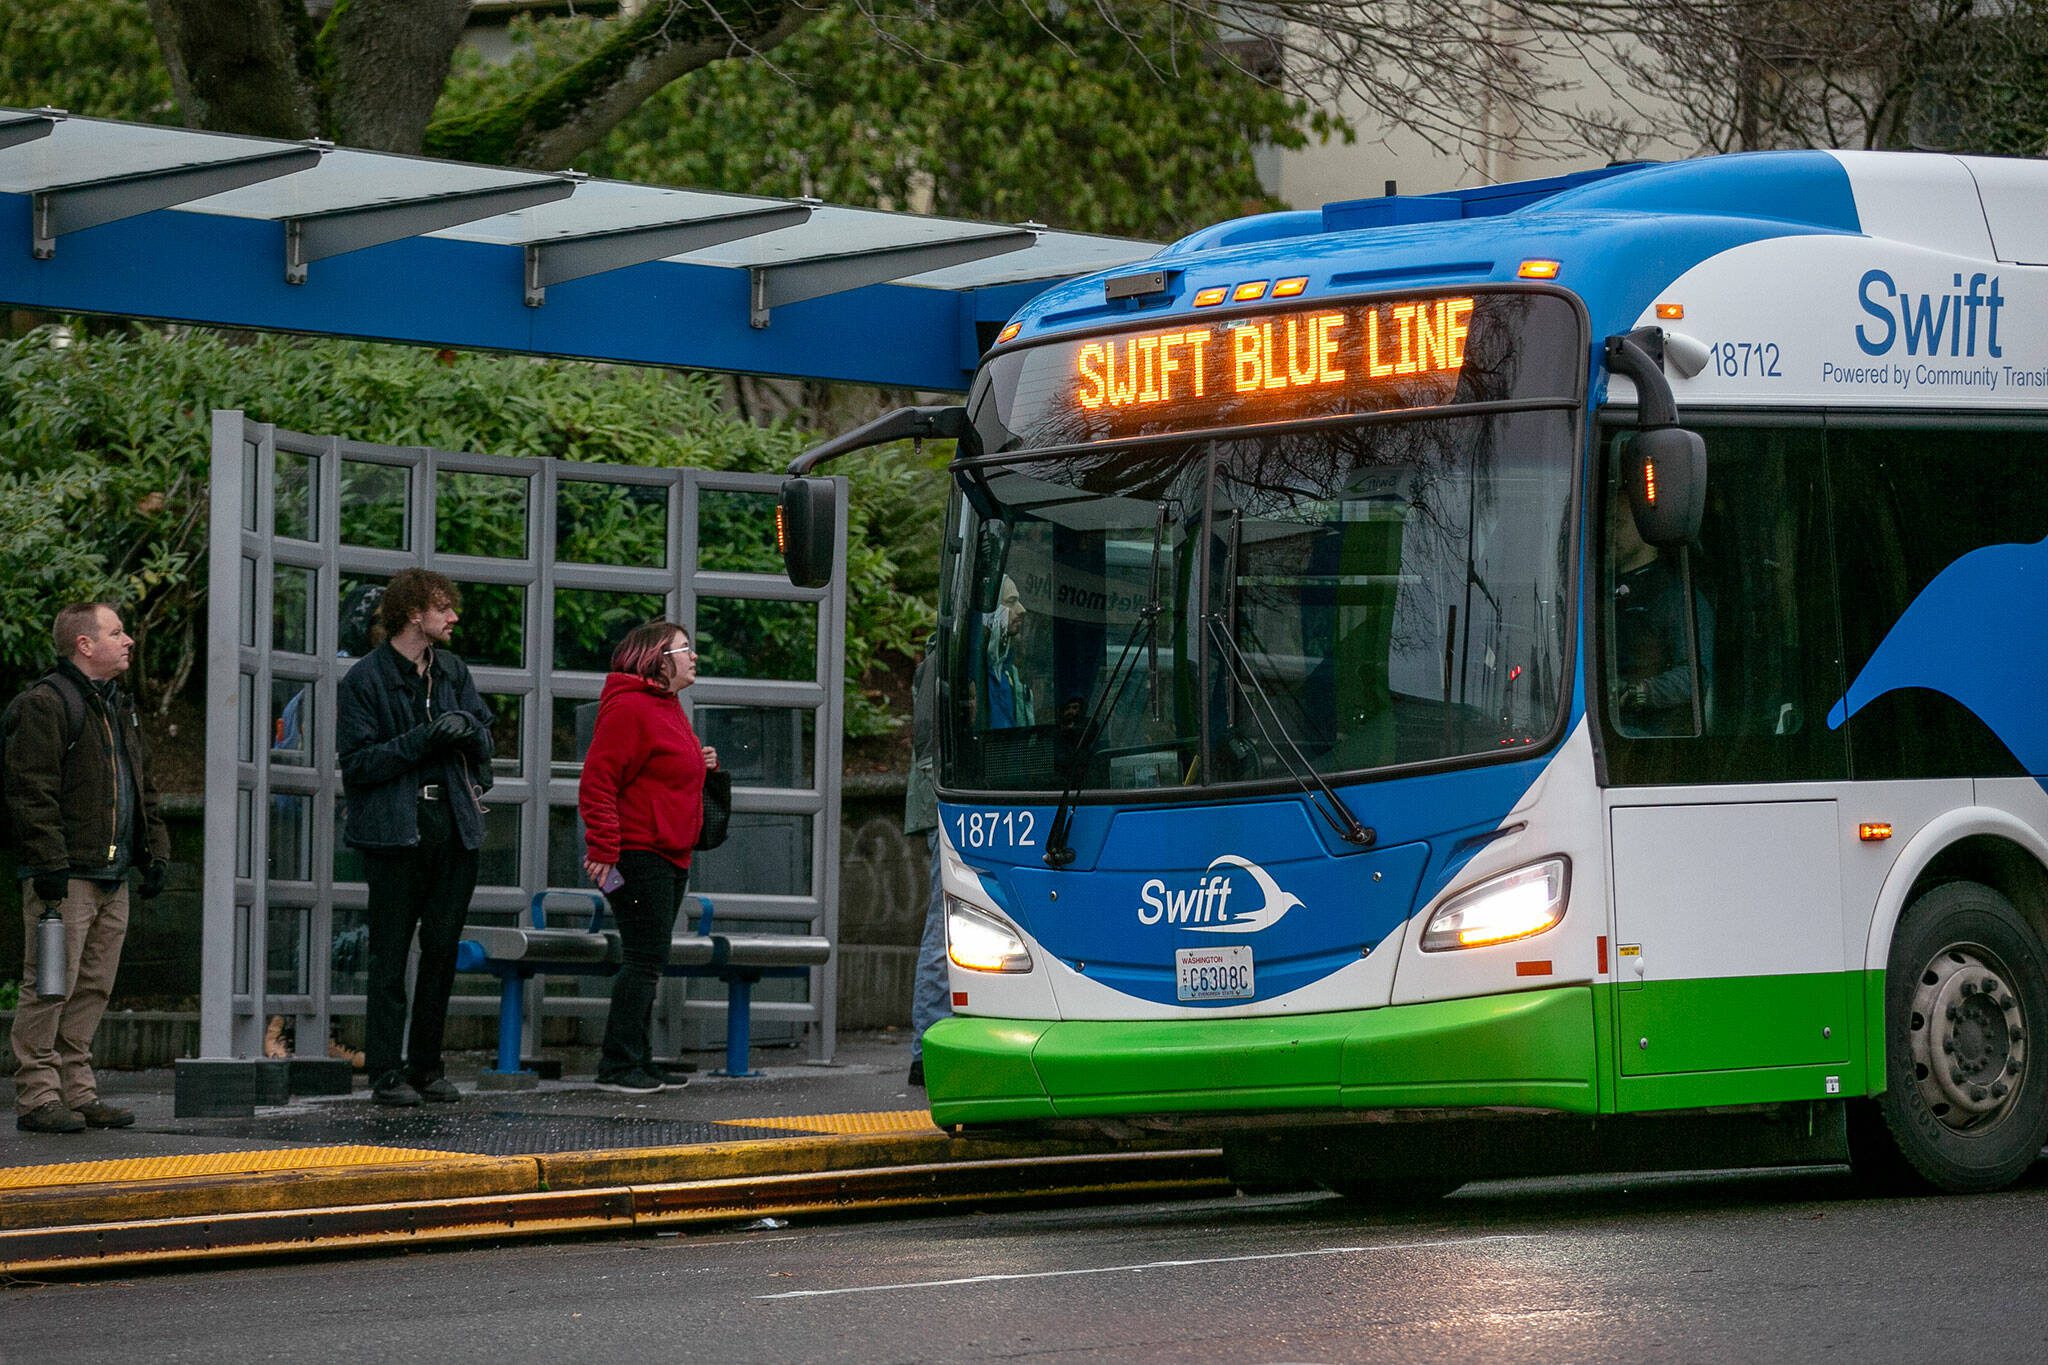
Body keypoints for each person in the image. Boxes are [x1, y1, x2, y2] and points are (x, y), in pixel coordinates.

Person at [5, 603, 169, 1134]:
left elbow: (141, 784)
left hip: (109, 875)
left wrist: (154, 852)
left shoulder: (117, 705)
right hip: (66, 877)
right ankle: (37, 1095)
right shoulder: (46, 705)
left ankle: (76, 1090)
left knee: (92, 987)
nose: (128, 641)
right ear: (84, 644)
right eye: (116, 632)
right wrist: (49, 864)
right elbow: (31, 792)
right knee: (51, 985)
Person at [336, 568, 493, 1107]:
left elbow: (482, 733)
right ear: (412, 616)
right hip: (395, 834)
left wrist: (471, 735)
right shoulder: (365, 679)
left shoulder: (451, 670)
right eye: (442, 608)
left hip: (451, 827)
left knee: (442, 950)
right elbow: (357, 764)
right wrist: (425, 738)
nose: (453, 617)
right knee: (390, 953)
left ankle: (426, 1066)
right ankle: (385, 1070)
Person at [579, 620, 719, 1095]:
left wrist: (700, 763)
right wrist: (603, 849)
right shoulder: (630, 708)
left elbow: (660, 769)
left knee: (649, 957)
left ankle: (637, 1059)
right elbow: (598, 781)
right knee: (643, 959)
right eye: (686, 648)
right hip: (637, 855)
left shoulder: (667, 706)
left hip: (668, 854)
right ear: (659, 659)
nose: (693, 656)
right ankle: (617, 1065)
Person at [1611, 496, 1715, 736]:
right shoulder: (1595, 593)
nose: (1609, 533)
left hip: (1647, 735)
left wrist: (1636, 692)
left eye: (1617, 523)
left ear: (1647, 529)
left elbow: (1695, 676)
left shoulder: (1676, 597)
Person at [904, 634, 949, 1088]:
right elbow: (927, 749)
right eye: (1012, 603)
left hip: (965, 810)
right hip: (950, 811)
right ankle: (925, 1049)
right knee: (943, 925)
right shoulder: (948, 660)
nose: (1019, 613)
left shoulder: (997, 660)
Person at [984, 575, 1035, 728]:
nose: (1022, 610)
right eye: (1011, 602)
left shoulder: (1006, 669)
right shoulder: (966, 666)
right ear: (990, 609)